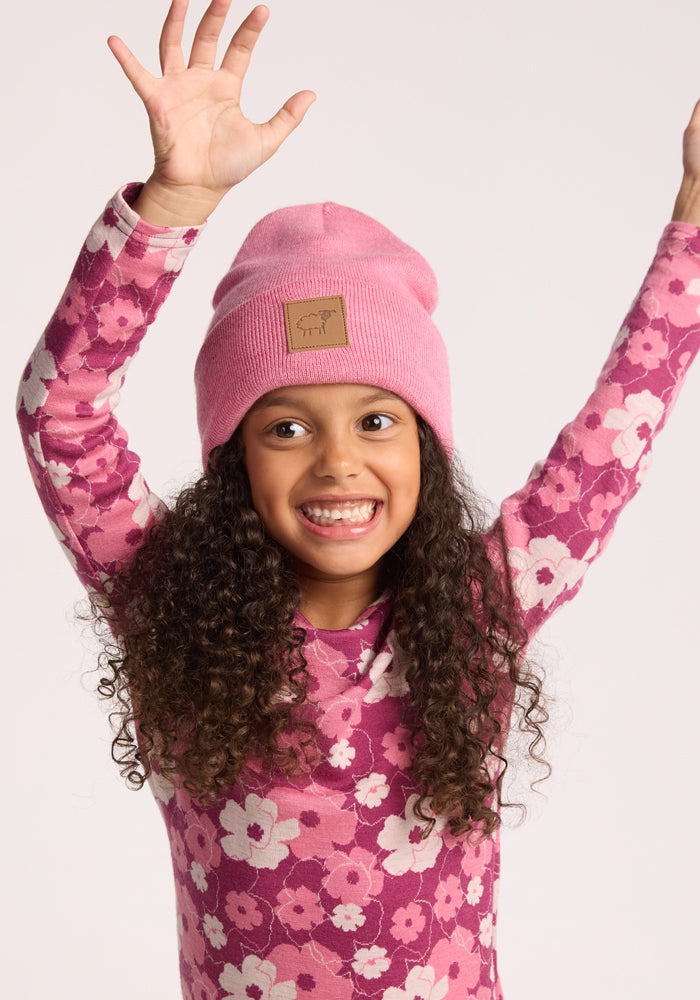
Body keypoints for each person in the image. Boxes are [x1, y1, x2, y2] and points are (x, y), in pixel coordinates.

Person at [15, 1, 700, 997]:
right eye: (285, 426)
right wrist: (168, 205)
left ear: (425, 445)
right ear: (232, 458)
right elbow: (59, 414)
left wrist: (690, 229)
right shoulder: (166, 602)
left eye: (377, 422)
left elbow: (617, 427)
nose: (336, 460)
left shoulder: (483, 603)